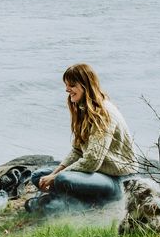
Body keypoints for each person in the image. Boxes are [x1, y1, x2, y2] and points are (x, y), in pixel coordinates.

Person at [28, 62, 138, 212]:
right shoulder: (83, 109)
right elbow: (77, 151)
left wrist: (55, 177)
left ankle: (67, 203)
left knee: (62, 179)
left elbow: (92, 161)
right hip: (98, 174)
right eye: (66, 85)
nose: (67, 89)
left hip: (118, 180)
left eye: (72, 85)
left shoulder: (104, 114)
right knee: (38, 176)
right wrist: (52, 174)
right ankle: (68, 199)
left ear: (86, 86)